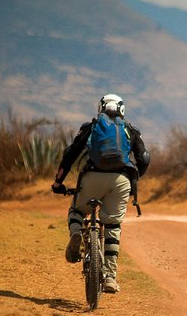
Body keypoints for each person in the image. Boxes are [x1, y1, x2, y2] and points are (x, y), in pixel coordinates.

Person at [51, 94, 150, 293]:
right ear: (122, 110)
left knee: (77, 210)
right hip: (120, 181)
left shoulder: (91, 127)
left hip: (92, 177)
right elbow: (144, 158)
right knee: (113, 224)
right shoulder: (130, 130)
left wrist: (58, 182)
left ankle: (77, 232)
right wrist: (134, 178)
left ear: (101, 108)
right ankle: (110, 278)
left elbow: (69, 155)